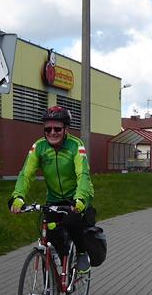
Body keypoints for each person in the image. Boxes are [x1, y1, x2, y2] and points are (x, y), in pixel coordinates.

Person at [8, 106, 95, 271]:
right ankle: (54, 278)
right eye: (48, 129)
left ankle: (82, 253)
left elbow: (83, 174)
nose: (52, 132)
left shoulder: (76, 145)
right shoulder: (39, 147)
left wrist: (80, 199)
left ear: (66, 129)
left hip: (76, 197)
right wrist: (18, 196)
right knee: (49, 233)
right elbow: (26, 174)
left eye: (57, 129)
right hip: (53, 198)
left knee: (73, 221)